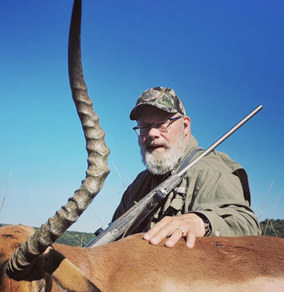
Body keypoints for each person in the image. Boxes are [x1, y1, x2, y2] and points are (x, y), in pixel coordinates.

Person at [111, 86, 260, 248]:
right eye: (144, 127)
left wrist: (201, 221)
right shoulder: (139, 183)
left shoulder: (210, 170)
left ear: (185, 126)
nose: (152, 133)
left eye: (162, 123)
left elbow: (247, 224)